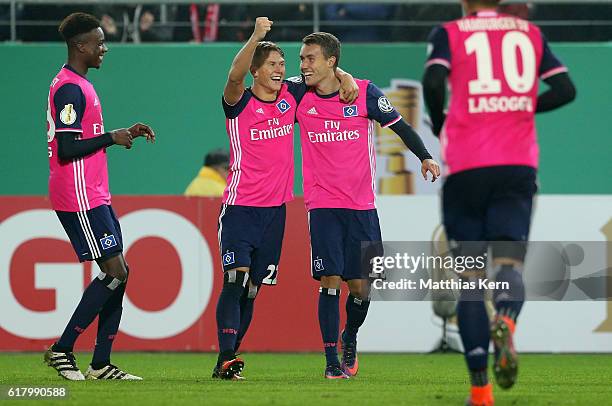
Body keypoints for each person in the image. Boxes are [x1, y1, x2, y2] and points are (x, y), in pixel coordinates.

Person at [422, 1, 576, 404]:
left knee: (471, 282)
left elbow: (434, 81)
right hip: (516, 165)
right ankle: (506, 320)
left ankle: (481, 392)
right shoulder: (530, 33)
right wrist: (523, 105)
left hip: (468, 167)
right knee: (509, 263)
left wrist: (444, 124)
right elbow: (565, 89)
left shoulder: (450, 32)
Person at [214, 17, 358, 380]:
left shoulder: (290, 97)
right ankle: (227, 355)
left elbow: (325, 72)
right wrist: (256, 37)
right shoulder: (239, 101)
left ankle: (228, 360)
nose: (282, 70)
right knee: (235, 279)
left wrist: (347, 77)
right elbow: (234, 75)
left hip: (275, 213)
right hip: (240, 209)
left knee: (252, 290)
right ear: (256, 71)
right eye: (273, 65)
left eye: (283, 64)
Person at [296, 32, 440, 379]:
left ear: (331, 61)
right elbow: (267, 83)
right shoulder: (297, 93)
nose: (303, 66)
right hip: (322, 204)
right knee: (329, 280)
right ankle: (331, 362)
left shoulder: (364, 92)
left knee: (361, 287)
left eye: (310, 58)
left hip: (361, 206)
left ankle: (350, 335)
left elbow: (402, 127)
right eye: (301, 59)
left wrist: (424, 157)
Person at [44, 12, 155, 381]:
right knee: (115, 272)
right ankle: (62, 350)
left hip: (93, 191)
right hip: (78, 194)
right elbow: (66, 147)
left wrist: (123, 132)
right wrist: (112, 136)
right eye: (99, 42)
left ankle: (100, 364)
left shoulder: (79, 84)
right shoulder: (69, 88)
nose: (103, 48)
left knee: (121, 273)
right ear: (80, 45)